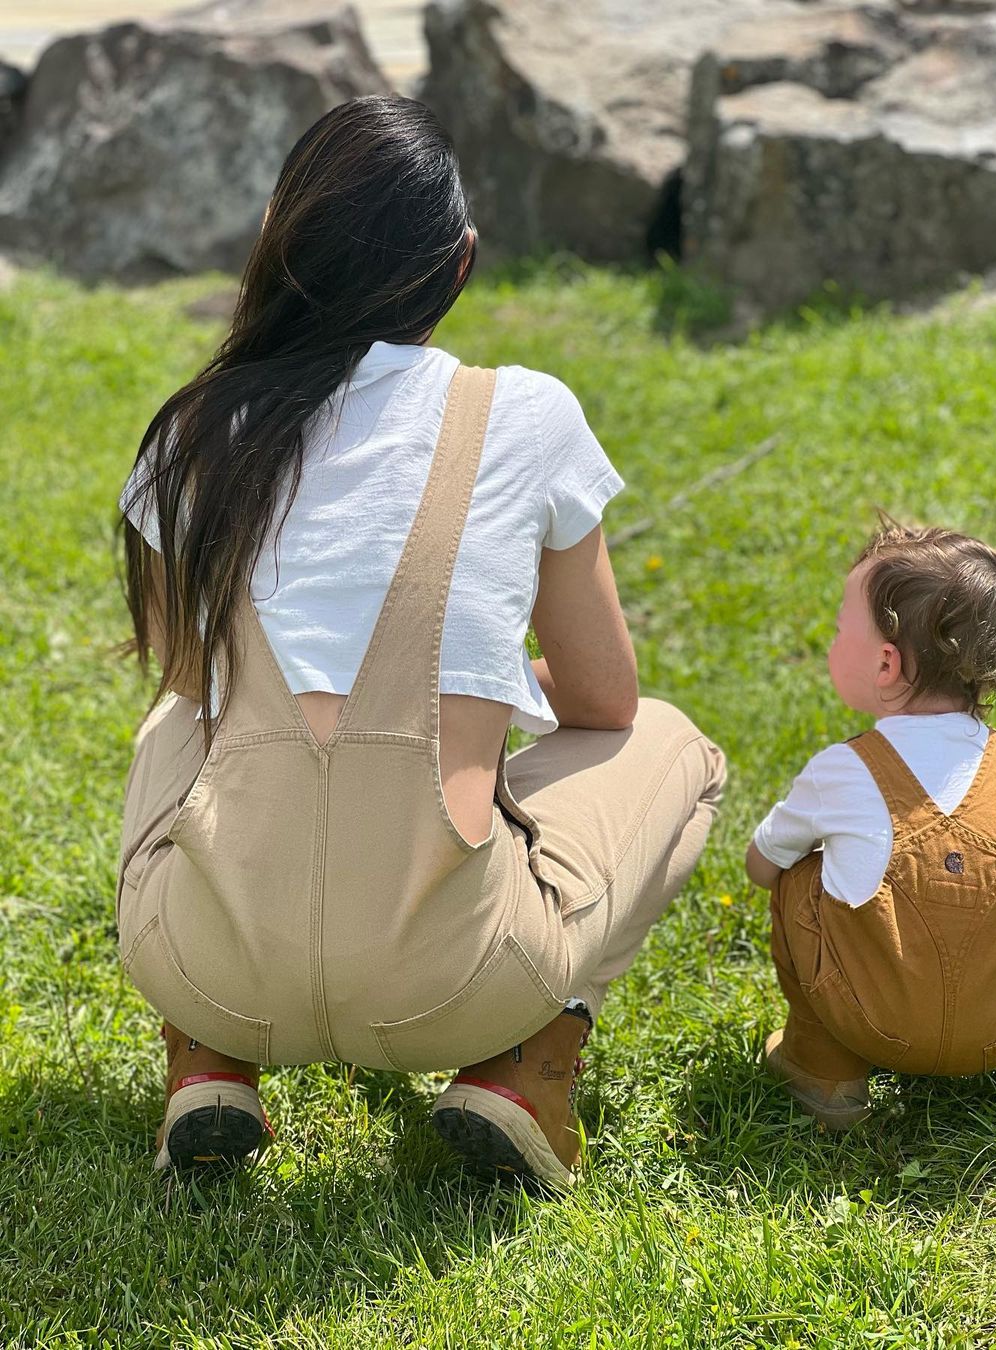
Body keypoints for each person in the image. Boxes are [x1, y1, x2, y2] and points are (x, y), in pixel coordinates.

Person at [115, 95, 726, 1191]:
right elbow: (604, 702)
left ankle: (206, 1060)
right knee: (673, 743)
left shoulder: (194, 436)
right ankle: (523, 1071)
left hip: (210, 966)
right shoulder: (525, 415)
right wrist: (483, 681)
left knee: (179, 712)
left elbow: (187, 679)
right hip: (457, 983)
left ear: (279, 243)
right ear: (462, 265)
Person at [747, 522, 996, 1129]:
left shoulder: (840, 770)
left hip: (873, 1028)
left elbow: (759, 865)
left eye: (840, 631)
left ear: (885, 662)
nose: (831, 643)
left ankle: (827, 1076)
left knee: (798, 874)